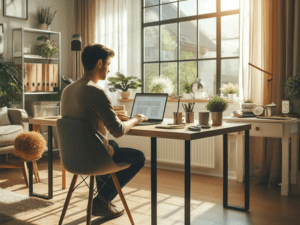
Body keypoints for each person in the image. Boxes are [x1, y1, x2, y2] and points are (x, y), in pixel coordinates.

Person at [61, 44, 148, 218]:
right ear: (100, 63)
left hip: (72, 158)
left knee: (113, 145)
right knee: (139, 157)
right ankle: (101, 200)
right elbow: (117, 130)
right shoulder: (97, 92)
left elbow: (83, 116)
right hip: (93, 159)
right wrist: (136, 119)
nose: (109, 70)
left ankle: (101, 202)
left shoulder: (67, 91)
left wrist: (112, 114)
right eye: (108, 64)